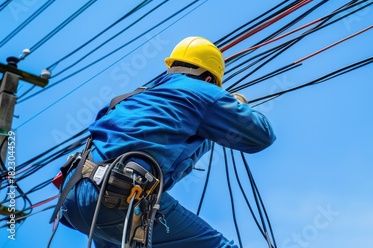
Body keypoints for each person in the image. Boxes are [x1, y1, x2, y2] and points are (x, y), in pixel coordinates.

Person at [58, 36, 276, 247]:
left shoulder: (133, 97)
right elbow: (261, 136)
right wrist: (237, 104)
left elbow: (175, 139)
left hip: (73, 198)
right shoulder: (206, 93)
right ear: (209, 79)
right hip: (119, 196)